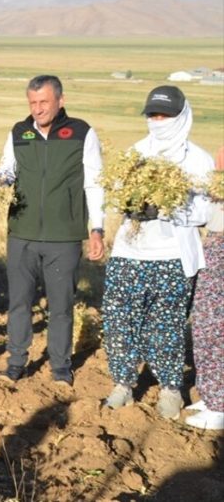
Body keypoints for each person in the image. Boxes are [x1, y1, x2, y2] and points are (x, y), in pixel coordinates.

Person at [102, 87, 213, 419]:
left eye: (164, 115)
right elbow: (117, 197)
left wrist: (167, 208)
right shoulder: (135, 153)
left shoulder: (198, 159)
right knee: (119, 320)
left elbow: (205, 212)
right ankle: (123, 384)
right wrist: (132, 205)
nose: (158, 121)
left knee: (166, 326)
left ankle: (170, 390)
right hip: (128, 252)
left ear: (182, 116)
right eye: (152, 115)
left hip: (173, 257)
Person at [0, 75, 104, 386]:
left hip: (64, 236)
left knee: (61, 306)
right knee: (19, 302)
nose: (38, 109)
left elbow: (94, 182)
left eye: (44, 102)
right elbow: (7, 169)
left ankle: (60, 368)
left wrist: (96, 228)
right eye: (32, 103)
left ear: (60, 100)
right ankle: (16, 362)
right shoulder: (19, 132)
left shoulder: (81, 132)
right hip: (22, 233)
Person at [187, 145, 224, 430]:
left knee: (214, 324)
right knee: (202, 321)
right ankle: (210, 392)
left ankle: (218, 406)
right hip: (214, 239)